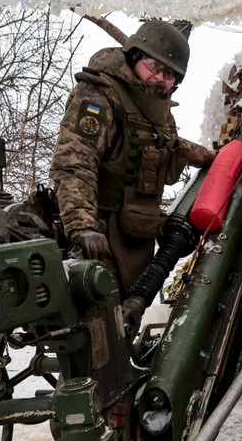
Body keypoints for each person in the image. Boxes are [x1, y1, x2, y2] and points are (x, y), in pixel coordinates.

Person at [50, 19, 215, 302]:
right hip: (99, 235)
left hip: (138, 236)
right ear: (135, 55)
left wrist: (211, 157)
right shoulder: (99, 94)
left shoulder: (158, 111)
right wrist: (83, 226)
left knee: (128, 320)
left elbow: (171, 147)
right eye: (154, 66)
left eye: (170, 74)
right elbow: (74, 162)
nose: (160, 78)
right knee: (99, 324)